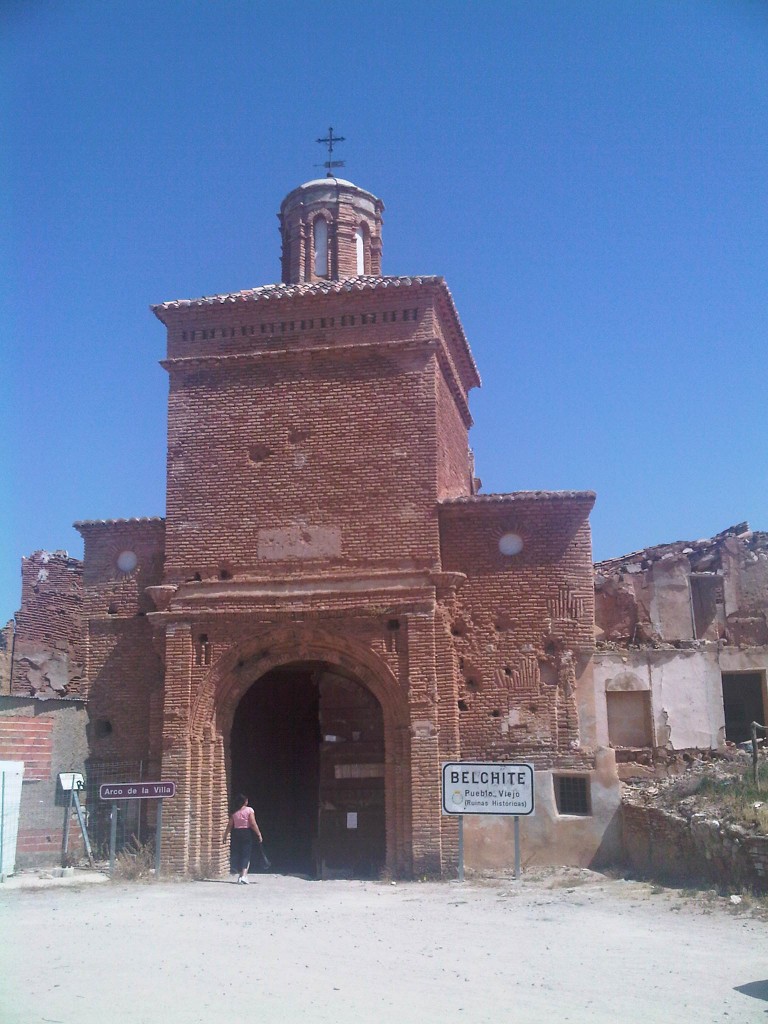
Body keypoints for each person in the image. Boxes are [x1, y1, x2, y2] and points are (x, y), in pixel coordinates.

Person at [222, 793, 263, 884]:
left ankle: (240, 876)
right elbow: (252, 823)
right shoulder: (249, 810)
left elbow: (229, 825)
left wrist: (225, 835)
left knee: (238, 853)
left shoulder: (234, 812)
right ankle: (244, 876)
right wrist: (259, 833)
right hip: (246, 832)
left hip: (236, 833)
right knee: (246, 854)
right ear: (245, 801)